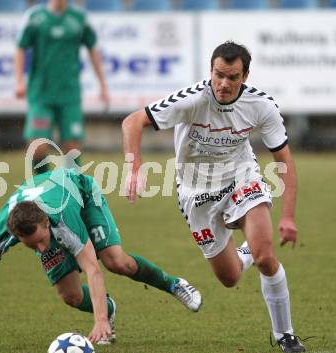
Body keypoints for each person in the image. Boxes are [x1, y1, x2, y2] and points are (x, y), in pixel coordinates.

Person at [122, 41, 305, 352]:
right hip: (195, 191)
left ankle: (285, 335)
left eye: (232, 77)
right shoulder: (192, 99)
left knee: (265, 256)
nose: (223, 83)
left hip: (241, 178)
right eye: (218, 74)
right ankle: (245, 253)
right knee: (230, 276)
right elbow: (132, 121)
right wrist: (133, 167)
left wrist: (287, 216)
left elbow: (284, 162)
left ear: (245, 76)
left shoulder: (262, 106)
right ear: (210, 71)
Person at [0, 168, 201, 351]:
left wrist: (99, 321)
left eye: (41, 239)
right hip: (46, 204)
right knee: (70, 296)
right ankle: (109, 306)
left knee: (115, 261)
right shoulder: (4, 230)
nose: (41, 247)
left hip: (82, 195)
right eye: (33, 245)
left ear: (45, 222)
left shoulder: (62, 218)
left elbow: (92, 268)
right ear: (16, 236)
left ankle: (173, 284)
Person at [14, 0, 109, 174]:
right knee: (38, 146)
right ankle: (42, 187)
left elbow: (92, 48)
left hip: (69, 95)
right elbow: (20, 47)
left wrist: (102, 85)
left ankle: (74, 193)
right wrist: (19, 80)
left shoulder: (79, 18)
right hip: (41, 94)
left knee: (72, 148)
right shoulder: (35, 17)